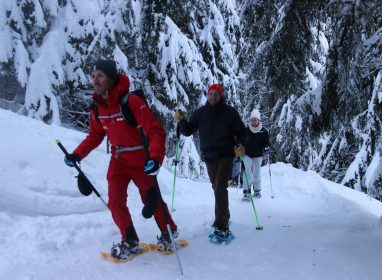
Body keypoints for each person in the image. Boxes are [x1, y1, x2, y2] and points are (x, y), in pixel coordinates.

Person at [63, 59, 178, 259]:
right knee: (115, 201)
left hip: (140, 158)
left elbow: (155, 131)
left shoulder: (131, 101)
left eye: (100, 75)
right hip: (118, 159)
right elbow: (95, 136)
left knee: (151, 198)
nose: (95, 80)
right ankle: (130, 240)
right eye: (93, 76)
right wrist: (77, 154)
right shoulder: (98, 108)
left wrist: (156, 159)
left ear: (111, 77)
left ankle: (169, 233)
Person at [173, 84, 246, 238]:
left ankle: (222, 223)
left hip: (226, 154)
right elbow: (188, 131)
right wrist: (182, 121)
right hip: (209, 156)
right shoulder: (200, 113)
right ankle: (223, 214)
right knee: (216, 186)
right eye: (210, 94)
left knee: (220, 186)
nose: (213, 97)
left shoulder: (230, 113)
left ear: (221, 96)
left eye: (216, 94)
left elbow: (241, 131)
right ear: (207, 95)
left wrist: (240, 145)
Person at [242, 109, 270, 200]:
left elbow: (267, 142)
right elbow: (240, 141)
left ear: (259, 120)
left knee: (257, 172)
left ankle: (257, 191)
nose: (254, 121)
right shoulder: (246, 130)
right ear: (250, 120)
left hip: (258, 155)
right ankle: (246, 191)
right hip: (247, 154)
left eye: (255, 119)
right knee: (247, 172)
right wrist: (239, 147)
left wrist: (266, 147)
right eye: (252, 120)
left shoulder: (263, 131)